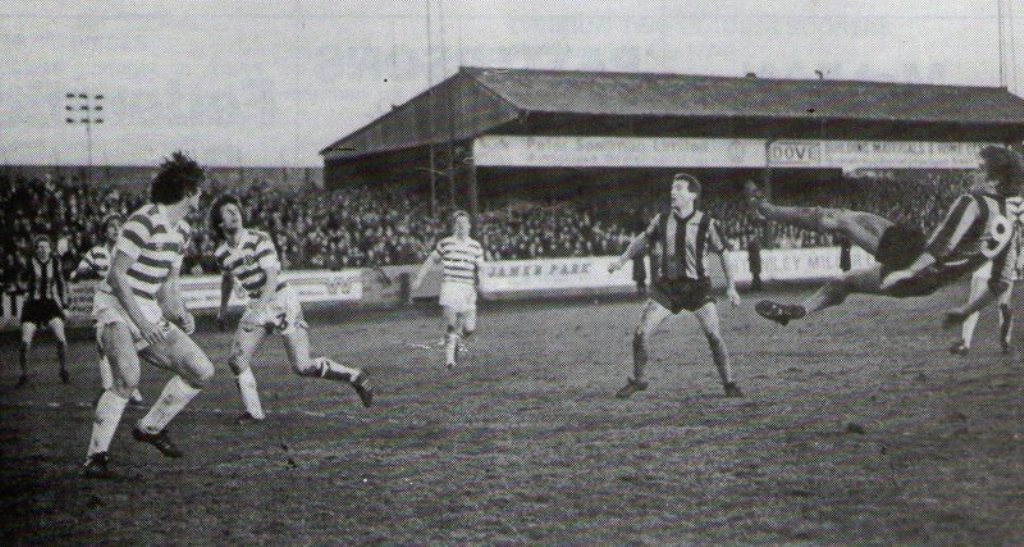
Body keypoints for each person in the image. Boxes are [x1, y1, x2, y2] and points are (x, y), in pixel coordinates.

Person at [746, 145, 1023, 327]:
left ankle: (766, 210)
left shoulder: (972, 202)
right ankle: (797, 312)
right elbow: (1000, 283)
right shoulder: (1009, 222)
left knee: (838, 219)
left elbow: (941, 246)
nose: (973, 173)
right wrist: (966, 310)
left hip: (915, 261)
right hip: (926, 276)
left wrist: (909, 271)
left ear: (995, 180)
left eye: (980, 169)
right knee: (842, 281)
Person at [83, 152, 215, 479]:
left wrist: (180, 313)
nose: (201, 195)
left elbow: (168, 284)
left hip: (147, 308)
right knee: (128, 378)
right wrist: (142, 324)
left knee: (201, 370)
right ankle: (95, 457)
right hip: (115, 305)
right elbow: (117, 275)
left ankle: (151, 428)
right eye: (199, 189)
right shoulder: (143, 220)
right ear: (187, 190)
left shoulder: (181, 232)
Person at [211, 194, 372, 424]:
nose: (235, 213)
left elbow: (271, 277)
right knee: (236, 359)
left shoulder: (259, 239)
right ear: (219, 222)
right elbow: (227, 279)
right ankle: (254, 413)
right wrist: (223, 309)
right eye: (227, 211)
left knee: (302, 365)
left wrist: (257, 311)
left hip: (280, 299)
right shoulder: (221, 254)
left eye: (235, 209)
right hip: (258, 303)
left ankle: (355, 376)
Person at [608, 173, 744, 399]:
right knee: (640, 334)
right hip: (667, 289)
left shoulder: (707, 223)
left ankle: (729, 383)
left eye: (679, 188)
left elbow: (724, 253)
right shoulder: (661, 220)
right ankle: (639, 380)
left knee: (714, 336)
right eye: (672, 188)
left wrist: (732, 286)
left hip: (698, 289)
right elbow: (642, 240)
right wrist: (621, 260)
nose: (673, 192)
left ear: (692, 194)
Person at [71, 214, 145, 406]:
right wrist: (87, 272)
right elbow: (77, 272)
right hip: (105, 304)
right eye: (111, 226)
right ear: (104, 232)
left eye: (119, 226)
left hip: (125, 303)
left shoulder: (129, 251)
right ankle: (107, 387)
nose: (115, 229)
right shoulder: (96, 253)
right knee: (102, 346)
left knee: (129, 344)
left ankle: (132, 388)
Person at [949, 193, 1024, 355]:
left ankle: (965, 343)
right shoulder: (1018, 207)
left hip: (988, 258)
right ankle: (1005, 342)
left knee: (975, 302)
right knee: (1004, 303)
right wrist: (1020, 259)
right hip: (1006, 260)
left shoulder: (991, 205)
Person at [410, 211, 485, 369]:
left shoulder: (476, 246)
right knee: (451, 324)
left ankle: (456, 340)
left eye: (464, 223)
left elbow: (481, 267)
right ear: (454, 226)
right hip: (450, 285)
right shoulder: (446, 243)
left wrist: (483, 283)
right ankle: (450, 360)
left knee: (469, 329)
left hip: (468, 289)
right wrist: (419, 278)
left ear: (469, 226)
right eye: (458, 224)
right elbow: (431, 260)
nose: (461, 226)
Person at [16, 235, 69, 388]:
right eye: (39, 247)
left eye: (45, 247)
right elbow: (20, 279)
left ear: (50, 249)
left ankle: (63, 370)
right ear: (36, 249)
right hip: (32, 306)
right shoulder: (30, 263)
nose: (43, 250)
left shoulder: (55, 262)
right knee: (25, 342)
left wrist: (64, 305)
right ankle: (24, 374)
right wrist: (22, 287)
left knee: (61, 339)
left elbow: (61, 284)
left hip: (49, 305)